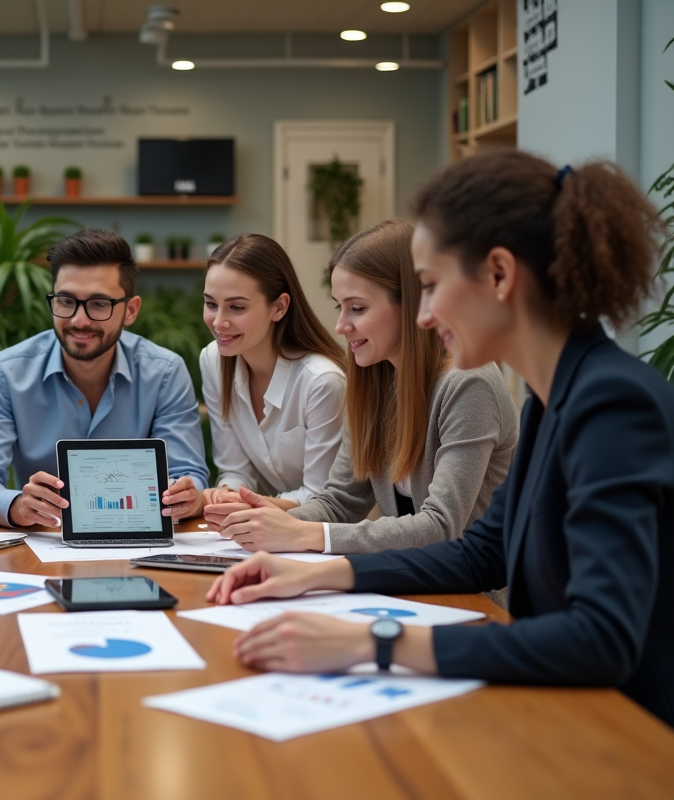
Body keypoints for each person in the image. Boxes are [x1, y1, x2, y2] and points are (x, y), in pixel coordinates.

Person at [207, 151, 674, 727]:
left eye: (430, 287)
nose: (424, 316)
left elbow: (601, 637)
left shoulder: (611, 403)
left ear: (499, 275)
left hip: (629, 738)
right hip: (562, 708)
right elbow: (483, 551)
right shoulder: (556, 395)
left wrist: (374, 644)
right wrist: (315, 571)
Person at [206, 219, 518, 556]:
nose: (340, 326)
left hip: (471, 598)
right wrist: (262, 520)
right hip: (405, 585)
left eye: (357, 308)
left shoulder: (469, 382)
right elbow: (339, 502)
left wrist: (303, 534)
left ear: (413, 304)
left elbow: (442, 526)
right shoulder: (375, 381)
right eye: (340, 307)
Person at [0, 228, 210, 528]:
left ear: (130, 311)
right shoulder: (5, 373)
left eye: (99, 304)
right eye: (66, 301)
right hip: (43, 546)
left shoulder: (165, 372)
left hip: (139, 544)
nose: (79, 320)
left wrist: (187, 495)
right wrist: (17, 505)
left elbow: (188, 474)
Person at [199, 233, 347, 512]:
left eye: (236, 307)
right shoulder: (213, 360)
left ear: (279, 307)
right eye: (210, 304)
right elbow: (234, 470)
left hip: (326, 533)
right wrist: (227, 494)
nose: (218, 321)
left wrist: (248, 504)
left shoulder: (322, 381)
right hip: (259, 528)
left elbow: (321, 498)